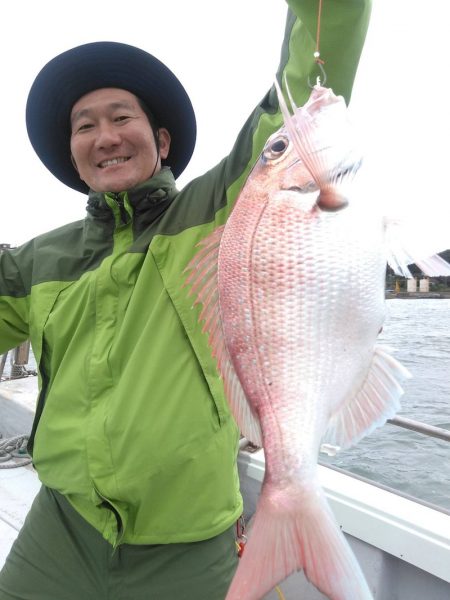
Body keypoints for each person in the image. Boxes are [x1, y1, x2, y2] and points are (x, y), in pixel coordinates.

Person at [0, 1, 371, 598]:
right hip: (59, 531)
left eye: (122, 117)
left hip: (191, 542)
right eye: (84, 125)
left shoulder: (222, 208)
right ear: (72, 151)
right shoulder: (34, 261)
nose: (106, 136)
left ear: (161, 138)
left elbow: (302, 93)